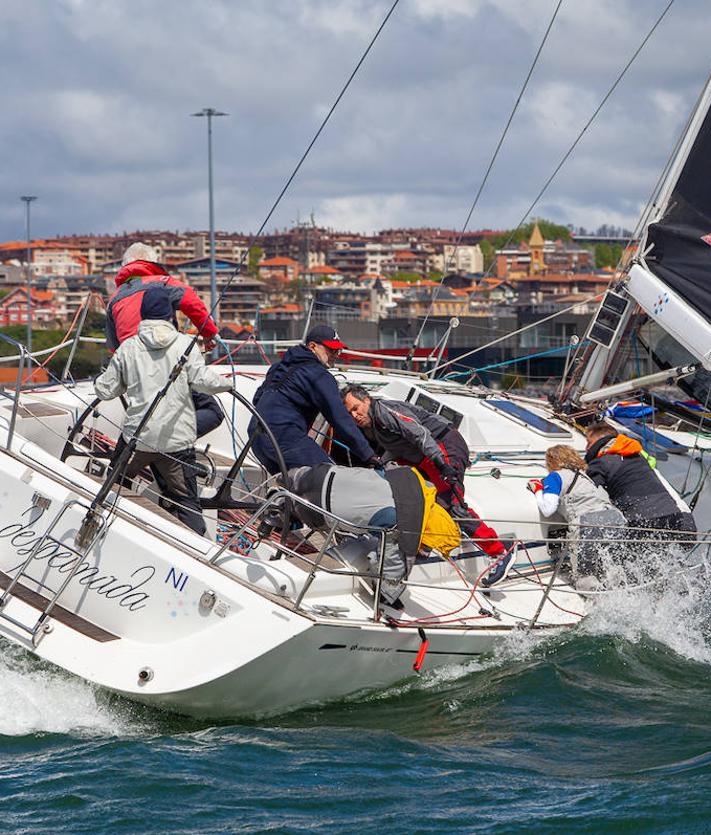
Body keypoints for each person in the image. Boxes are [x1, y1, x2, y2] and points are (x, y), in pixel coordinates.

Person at [94, 285, 233, 535]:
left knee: (114, 485)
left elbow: (106, 391)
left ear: (143, 315)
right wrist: (228, 383)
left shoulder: (129, 348)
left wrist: (104, 379)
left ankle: (114, 533)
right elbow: (204, 381)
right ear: (170, 315)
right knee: (187, 503)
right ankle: (196, 546)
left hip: (138, 440)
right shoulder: (184, 345)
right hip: (176, 443)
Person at [340, 384, 510, 578]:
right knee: (412, 494)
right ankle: (423, 542)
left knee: (453, 506)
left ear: (367, 400)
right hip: (422, 456)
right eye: (349, 413)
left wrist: (442, 464)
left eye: (356, 408)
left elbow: (419, 433)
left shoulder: (385, 412)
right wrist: (381, 464)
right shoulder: (372, 426)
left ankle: (500, 551)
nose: (355, 416)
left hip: (442, 445)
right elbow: (396, 446)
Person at [287, 463, 461, 607]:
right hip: (318, 509)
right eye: (429, 546)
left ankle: (278, 503)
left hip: (317, 473)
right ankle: (286, 512)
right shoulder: (404, 525)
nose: (426, 550)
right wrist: (387, 597)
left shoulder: (413, 482)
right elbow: (390, 570)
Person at [106, 242, 223, 438]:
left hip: (135, 376)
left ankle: (159, 448)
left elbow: (114, 348)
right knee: (212, 412)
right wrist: (209, 333)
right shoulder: (163, 282)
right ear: (153, 262)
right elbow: (191, 301)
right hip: (166, 367)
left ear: (125, 267)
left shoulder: (115, 298)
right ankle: (171, 441)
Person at [249, 325, 377, 474]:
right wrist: (368, 455)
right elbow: (339, 418)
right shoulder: (319, 375)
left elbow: (257, 399)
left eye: (338, 350)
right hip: (284, 436)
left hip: (255, 435)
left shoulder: (278, 367)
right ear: (312, 346)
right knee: (333, 477)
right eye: (331, 349)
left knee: (292, 488)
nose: (336, 354)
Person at [528, 444, 626, 584]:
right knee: (613, 571)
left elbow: (548, 509)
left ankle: (596, 601)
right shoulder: (583, 476)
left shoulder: (555, 477)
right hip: (614, 518)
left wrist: (538, 490)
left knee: (585, 579)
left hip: (588, 524)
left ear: (551, 461)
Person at [584, 421, 696, 542]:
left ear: (600, 441)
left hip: (641, 520)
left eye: (589, 443)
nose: (587, 448)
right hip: (674, 516)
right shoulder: (639, 457)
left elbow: (589, 496)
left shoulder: (600, 463)